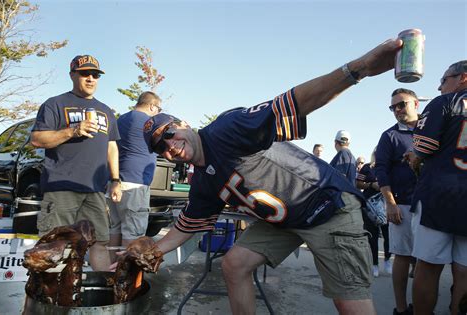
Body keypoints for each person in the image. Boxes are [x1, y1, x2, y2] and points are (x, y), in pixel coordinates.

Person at [126, 37, 403, 315]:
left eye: (169, 134)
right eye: (160, 147)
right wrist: (145, 254)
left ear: (183, 125)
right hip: (286, 221)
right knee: (234, 265)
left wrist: (359, 68)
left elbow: (294, 103)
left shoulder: (226, 130)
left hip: (327, 207)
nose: (169, 146)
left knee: (349, 302)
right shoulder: (202, 180)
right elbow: (188, 226)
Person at [31, 55, 122, 271]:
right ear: (72, 74)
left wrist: (116, 179)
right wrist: (73, 131)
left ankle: (103, 295)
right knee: (55, 245)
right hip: (61, 186)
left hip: (95, 190)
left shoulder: (106, 110)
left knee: (100, 242)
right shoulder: (55, 104)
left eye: (95, 75)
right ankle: (49, 301)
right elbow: (36, 139)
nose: (91, 78)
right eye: (85, 73)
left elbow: (111, 147)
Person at [405, 60, 467, 315]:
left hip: (440, 195)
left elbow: (424, 147)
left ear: (462, 77)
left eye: (444, 80)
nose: (440, 86)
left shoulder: (446, 102)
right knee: (464, 270)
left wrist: (415, 157)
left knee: (428, 266)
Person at [374, 88, 419, 315]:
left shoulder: (432, 130)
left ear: (416, 104)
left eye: (402, 104)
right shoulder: (389, 136)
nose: (397, 110)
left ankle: (422, 307)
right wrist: (390, 203)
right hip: (402, 204)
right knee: (403, 255)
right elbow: (381, 171)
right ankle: (401, 309)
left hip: (432, 203)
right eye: (394, 107)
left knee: (427, 259)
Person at [107, 92, 162, 259]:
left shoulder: (120, 119)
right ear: (152, 106)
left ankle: (111, 272)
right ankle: (126, 278)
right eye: (158, 109)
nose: (158, 112)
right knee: (133, 232)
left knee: (114, 228)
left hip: (114, 182)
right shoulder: (149, 122)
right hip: (135, 183)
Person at [356, 147, 391, 278]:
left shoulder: (389, 166)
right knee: (373, 236)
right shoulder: (367, 167)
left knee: (388, 234)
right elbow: (358, 183)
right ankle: (374, 264)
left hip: (386, 204)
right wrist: (371, 185)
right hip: (370, 205)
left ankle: (388, 260)